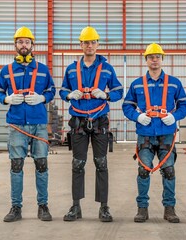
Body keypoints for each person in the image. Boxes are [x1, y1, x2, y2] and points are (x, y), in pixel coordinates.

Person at [59, 26, 123, 222]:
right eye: (86, 42)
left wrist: (107, 95)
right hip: (78, 121)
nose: (89, 45)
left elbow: (119, 91)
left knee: (101, 163)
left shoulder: (107, 68)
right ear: (81, 45)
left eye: (93, 42)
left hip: (99, 121)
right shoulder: (71, 69)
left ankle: (104, 207)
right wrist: (69, 95)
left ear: (97, 44)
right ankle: (76, 206)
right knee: (77, 164)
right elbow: (62, 91)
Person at [122, 43, 186, 223]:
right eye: (151, 57)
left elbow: (184, 105)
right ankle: (142, 209)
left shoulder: (174, 83)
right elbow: (127, 106)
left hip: (166, 132)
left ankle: (169, 209)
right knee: (143, 171)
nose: (154, 60)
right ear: (146, 60)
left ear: (162, 59)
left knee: (168, 171)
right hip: (145, 133)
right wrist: (137, 117)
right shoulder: (137, 84)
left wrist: (174, 117)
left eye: (157, 56)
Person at [0, 26, 56, 222]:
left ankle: (43, 206)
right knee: (16, 165)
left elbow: (51, 90)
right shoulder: (7, 71)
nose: (23, 45)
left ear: (32, 46)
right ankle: (16, 207)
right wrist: (7, 99)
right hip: (17, 125)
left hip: (38, 124)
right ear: (15, 46)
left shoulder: (43, 70)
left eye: (27, 42)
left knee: (42, 165)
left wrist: (42, 98)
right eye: (20, 42)